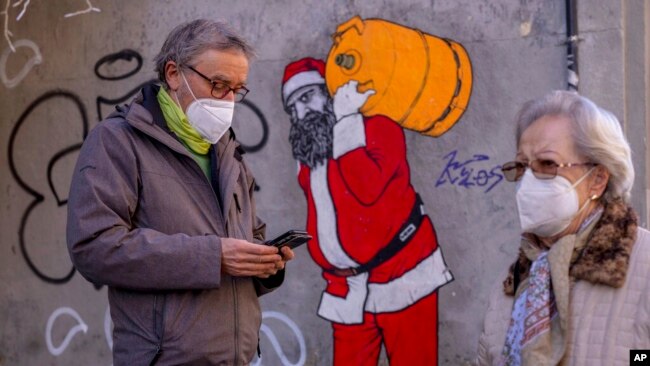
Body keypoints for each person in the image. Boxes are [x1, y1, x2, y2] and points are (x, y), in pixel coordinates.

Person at [66, 19, 294, 365]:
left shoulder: (225, 150)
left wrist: (264, 263)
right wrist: (214, 257)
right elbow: (94, 247)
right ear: (174, 74)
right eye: (218, 84)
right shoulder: (117, 141)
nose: (229, 100)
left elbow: (247, 236)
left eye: (237, 89)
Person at [281, 57, 453, 365]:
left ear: (331, 91)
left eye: (307, 97)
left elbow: (367, 188)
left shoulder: (378, 128)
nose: (301, 112)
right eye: (293, 107)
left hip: (402, 275)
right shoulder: (311, 150)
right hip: (347, 289)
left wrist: (346, 122)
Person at [477, 90, 650, 365]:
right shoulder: (511, 286)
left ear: (597, 179)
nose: (529, 182)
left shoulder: (644, 266)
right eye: (522, 166)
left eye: (548, 164)